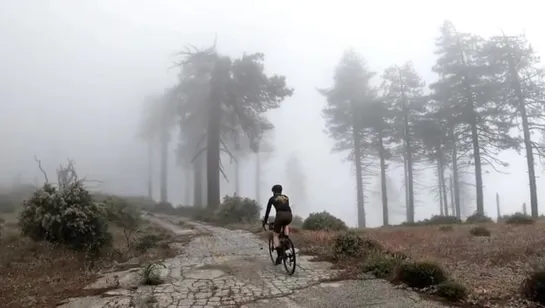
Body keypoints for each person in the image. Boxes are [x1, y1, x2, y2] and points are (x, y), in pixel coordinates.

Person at [262, 184, 293, 265]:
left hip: (280, 215)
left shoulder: (272, 199)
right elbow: (286, 207)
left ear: (274, 191)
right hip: (289, 215)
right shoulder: (286, 197)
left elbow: (268, 211)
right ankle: (286, 239)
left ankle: (280, 255)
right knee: (285, 224)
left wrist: (265, 221)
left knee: (275, 235)